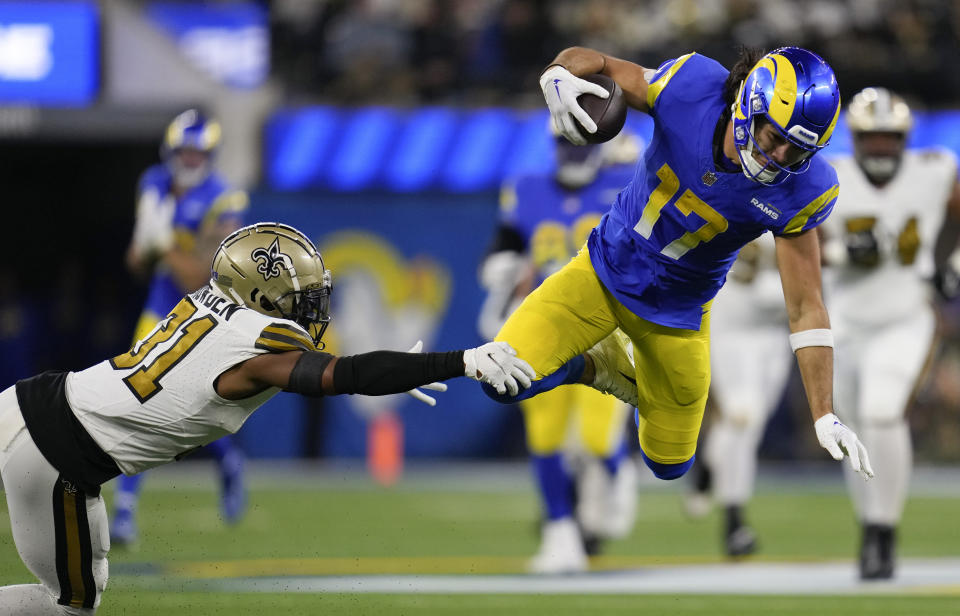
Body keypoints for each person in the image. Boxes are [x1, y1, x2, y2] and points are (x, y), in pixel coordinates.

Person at [0, 222, 536, 615]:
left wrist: (403, 370)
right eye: (296, 297)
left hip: (34, 404)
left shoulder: (207, 304)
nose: (309, 307)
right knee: (71, 609)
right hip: (55, 455)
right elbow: (340, 376)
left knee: (82, 589)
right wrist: (456, 361)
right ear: (259, 297)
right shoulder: (256, 346)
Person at [481, 45, 874, 491]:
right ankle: (586, 365)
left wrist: (824, 413)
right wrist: (556, 75)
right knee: (503, 379)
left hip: (678, 313)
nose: (779, 156)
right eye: (773, 136)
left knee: (669, 463)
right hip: (603, 270)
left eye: (797, 150)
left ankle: (606, 368)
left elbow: (806, 308)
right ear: (748, 103)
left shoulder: (805, 189)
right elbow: (596, 62)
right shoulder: (691, 88)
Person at [478, 132, 639, 573]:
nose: (574, 154)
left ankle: (618, 470)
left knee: (595, 435)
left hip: (602, 330)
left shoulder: (625, 185)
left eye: (582, 144)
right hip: (545, 326)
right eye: (566, 144)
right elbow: (506, 242)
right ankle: (560, 532)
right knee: (546, 434)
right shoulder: (527, 188)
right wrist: (500, 264)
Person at [819, 87, 960, 579]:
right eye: (871, 138)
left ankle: (883, 530)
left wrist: (953, 265)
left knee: (882, 413)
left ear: (904, 139)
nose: (880, 148)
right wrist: (838, 253)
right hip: (845, 320)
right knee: (851, 430)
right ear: (855, 138)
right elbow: (794, 244)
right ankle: (870, 525)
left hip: (906, 313)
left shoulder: (936, 169)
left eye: (889, 138)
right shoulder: (828, 176)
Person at [111, 109, 250, 546]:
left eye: (197, 153)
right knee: (137, 399)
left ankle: (227, 459)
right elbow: (136, 263)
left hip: (206, 308)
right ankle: (125, 512)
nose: (189, 161)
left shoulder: (226, 199)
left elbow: (199, 276)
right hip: (159, 304)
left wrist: (163, 245)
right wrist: (147, 246)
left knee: (195, 406)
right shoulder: (152, 182)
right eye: (183, 152)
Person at [690, 233, 794, 557]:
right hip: (731, 329)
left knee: (752, 421)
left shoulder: (797, 197)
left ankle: (707, 465)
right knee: (742, 419)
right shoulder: (721, 193)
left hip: (773, 334)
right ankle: (734, 522)